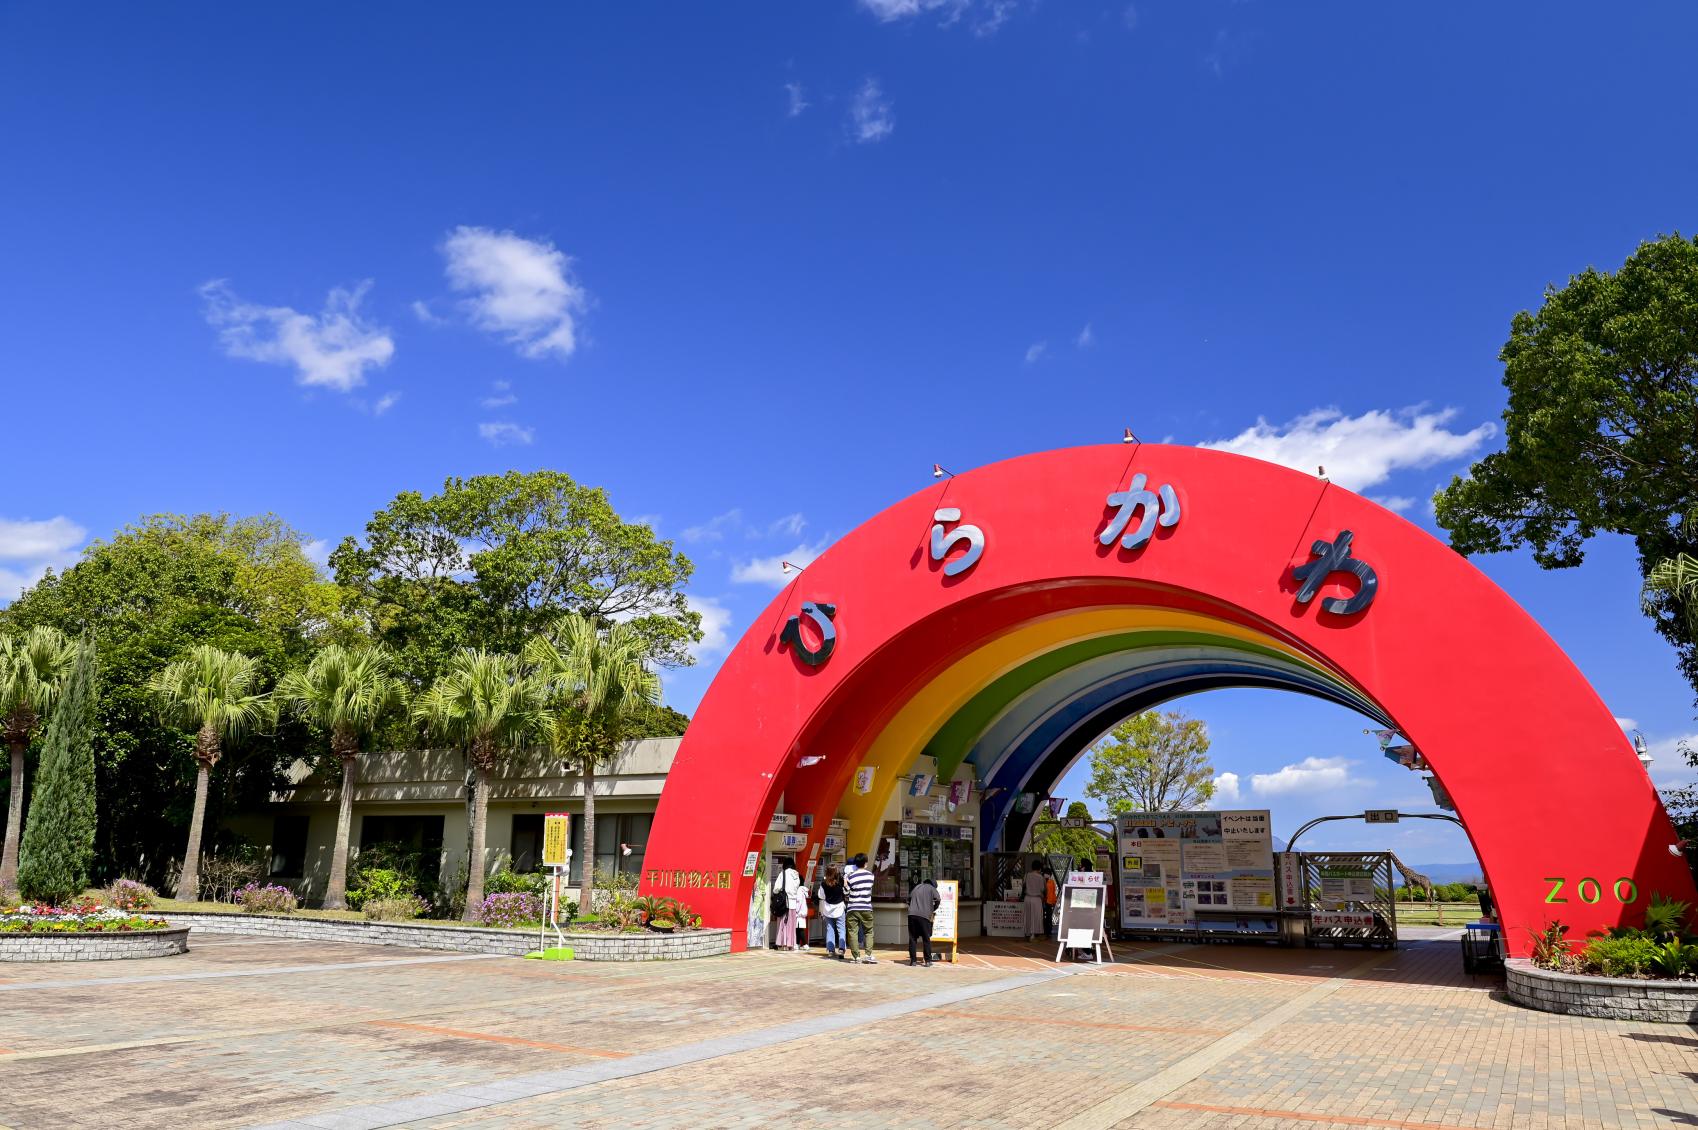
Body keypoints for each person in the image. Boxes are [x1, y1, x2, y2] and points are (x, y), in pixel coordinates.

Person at [844, 852, 877, 963]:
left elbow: (846, 892)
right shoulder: (870, 876)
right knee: (868, 931)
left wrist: (845, 883)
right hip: (866, 907)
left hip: (852, 907)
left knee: (853, 931)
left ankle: (856, 957)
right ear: (866, 863)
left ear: (855, 864)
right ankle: (868, 955)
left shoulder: (850, 877)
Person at [907, 872, 940, 967]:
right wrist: (933, 908)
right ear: (933, 885)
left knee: (913, 939)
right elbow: (938, 899)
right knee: (926, 938)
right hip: (925, 916)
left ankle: (913, 961)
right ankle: (928, 960)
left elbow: (908, 900)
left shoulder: (917, 887)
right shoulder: (932, 888)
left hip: (912, 915)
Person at [771, 857, 803, 951]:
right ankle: (790, 944)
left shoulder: (783, 874)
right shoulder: (796, 875)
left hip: (784, 903)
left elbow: (776, 888)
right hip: (793, 903)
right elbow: (797, 887)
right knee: (791, 925)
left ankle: (782, 944)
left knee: (783, 923)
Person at [816, 863, 847, 959]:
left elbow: (821, 896)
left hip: (828, 908)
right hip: (839, 908)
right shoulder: (841, 881)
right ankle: (841, 949)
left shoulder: (823, 882)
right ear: (836, 872)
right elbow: (846, 892)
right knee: (841, 929)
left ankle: (830, 950)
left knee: (830, 929)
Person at [1023, 858, 1046, 941]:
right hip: (1036, 899)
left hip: (1027, 898)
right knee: (1036, 917)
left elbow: (1024, 885)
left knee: (1028, 916)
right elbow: (1042, 889)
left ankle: (1028, 933)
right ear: (1039, 868)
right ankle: (1033, 935)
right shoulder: (1040, 877)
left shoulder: (1027, 875)